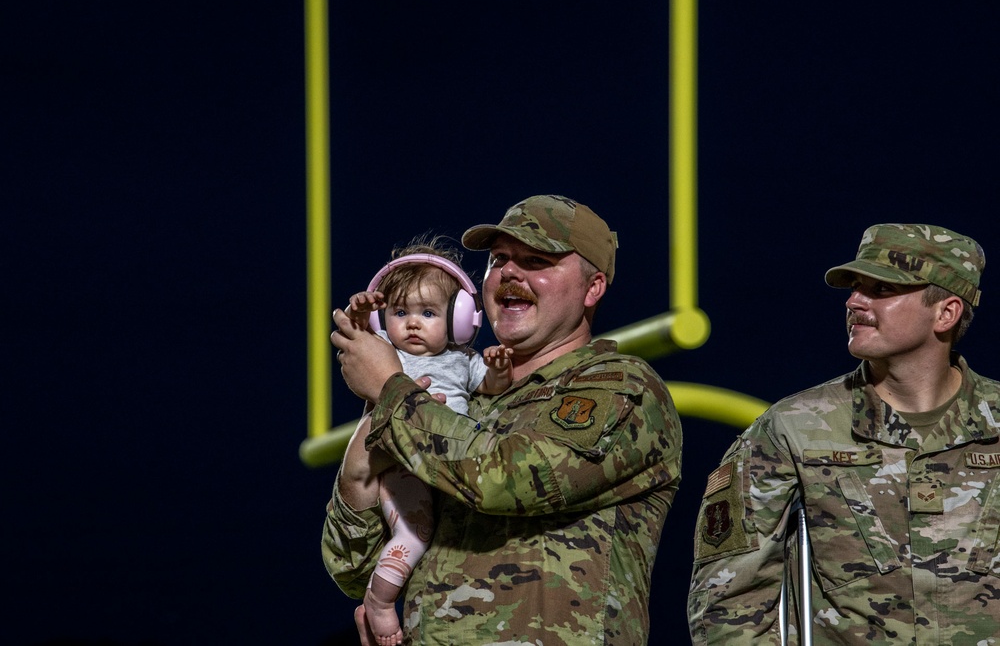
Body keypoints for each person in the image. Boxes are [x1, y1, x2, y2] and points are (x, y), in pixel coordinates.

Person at [324, 194, 682, 645]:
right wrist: (357, 477)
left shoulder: (621, 388)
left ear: (592, 288)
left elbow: (504, 477)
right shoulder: (456, 406)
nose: (510, 272)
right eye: (498, 260)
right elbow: (351, 567)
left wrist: (390, 389)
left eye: (536, 259)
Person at [687, 223, 999, 645]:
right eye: (855, 287)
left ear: (946, 312)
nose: (854, 301)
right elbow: (727, 602)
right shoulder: (793, 429)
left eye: (882, 290)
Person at [338, 236, 513, 646]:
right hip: (401, 466)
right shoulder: (388, 354)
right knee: (414, 535)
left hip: (451, 468)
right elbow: (355, 339)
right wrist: (360, 315)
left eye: (429, 312)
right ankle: (381, 603)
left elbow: (489, 388)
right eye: (399, 312)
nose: (412, 323)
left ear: (460, 320)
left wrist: (500, 371)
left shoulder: (464, 359)